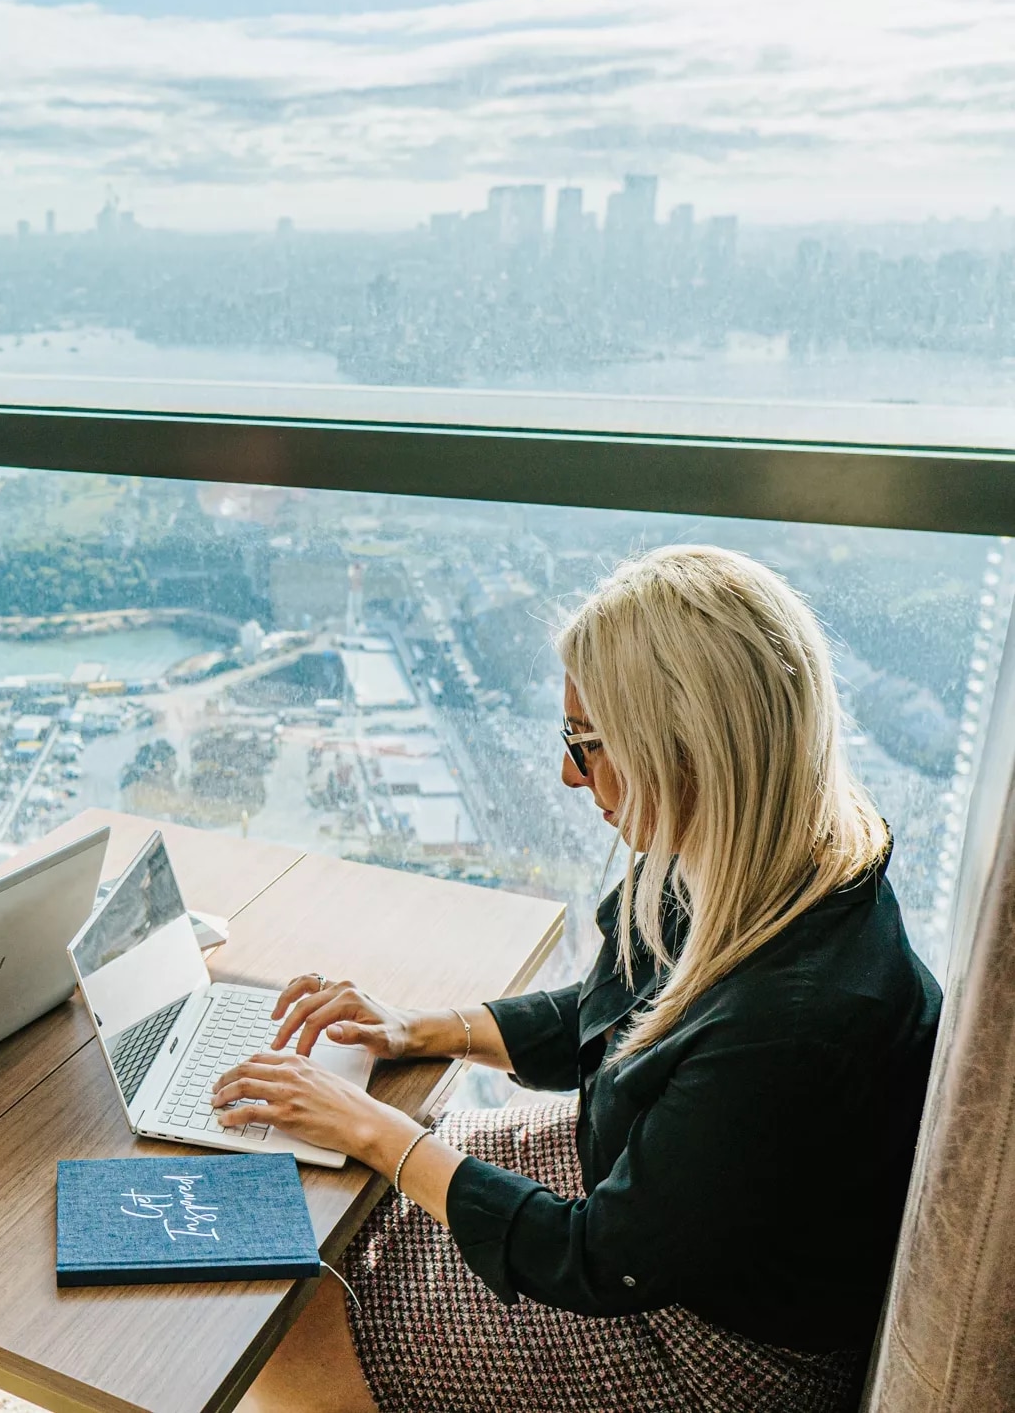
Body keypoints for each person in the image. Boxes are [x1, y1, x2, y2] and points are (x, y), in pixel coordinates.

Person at [218, 545, 941, 1413]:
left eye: (588, 744)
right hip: (657, 1191)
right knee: (332, 1193)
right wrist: (420, 1027)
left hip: (706, 1343)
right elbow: (616, 1013)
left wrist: (378, 1131)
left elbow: (601, 1256)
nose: (569, 773)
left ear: (689, 749)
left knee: (292, 1321)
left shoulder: (793, 1023)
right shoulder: (763, 855)